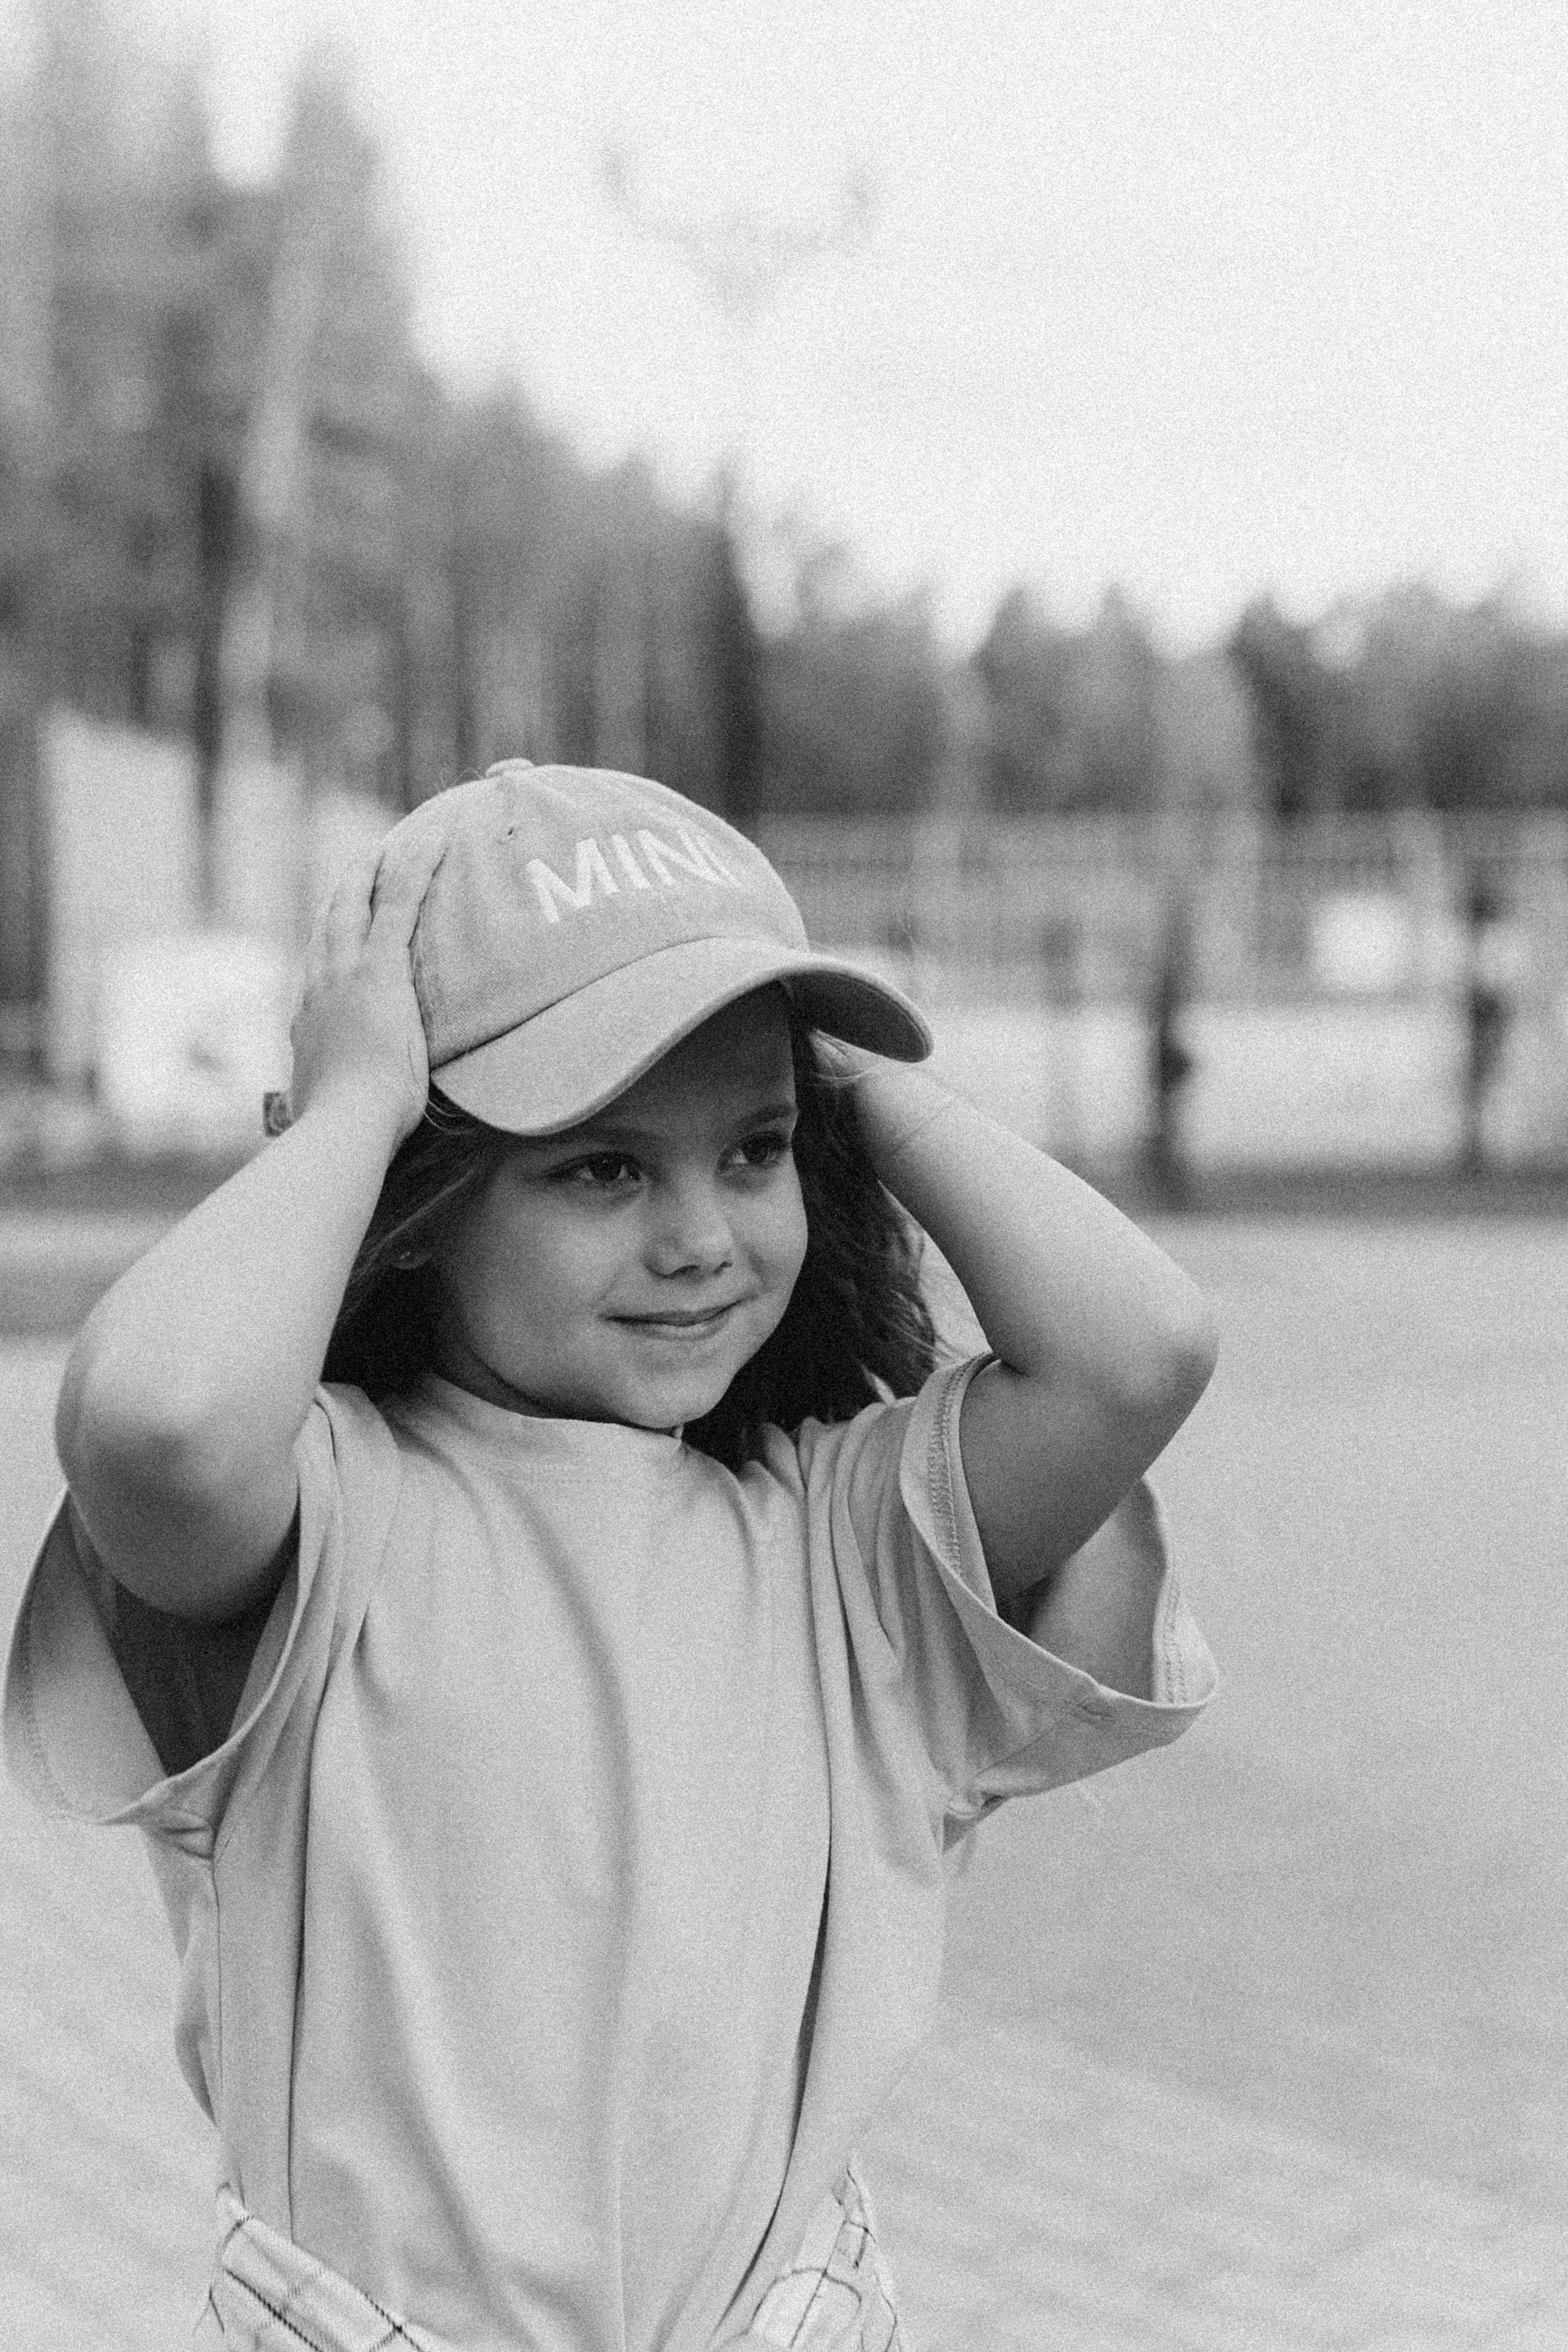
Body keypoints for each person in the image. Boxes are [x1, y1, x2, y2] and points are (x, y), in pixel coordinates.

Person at [5, 761, 1219, 2352]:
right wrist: (356, 1105)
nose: (701, 1238)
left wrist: (840, 1071)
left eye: (756, 1150)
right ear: (416, 1196)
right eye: (603, 1166)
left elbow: (1140, 1351)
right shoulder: (321, 1526)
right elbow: (157, 1424)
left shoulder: (845, 1549)